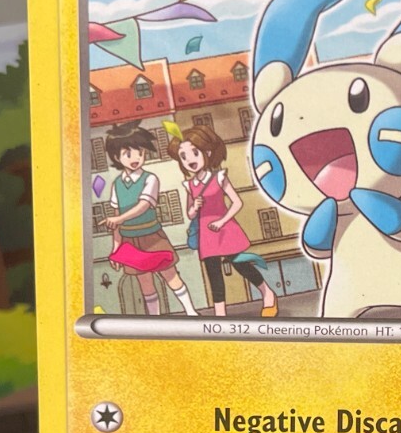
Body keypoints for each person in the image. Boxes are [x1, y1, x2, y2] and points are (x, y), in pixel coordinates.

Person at [169, 125, 279, 318]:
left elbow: (237, 202)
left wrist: (222, 221)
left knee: (240, 264)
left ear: (208, 152)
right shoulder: (190, 185)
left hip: (224, 228)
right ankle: (220, 314)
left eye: (194, 153)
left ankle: (267, 293)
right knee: (213, 273)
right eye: (183, 156)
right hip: (206, 233)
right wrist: (195, 207)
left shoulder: (219, 177)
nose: (189, 160)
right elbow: (190, 214)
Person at [103, 122, 198, 317]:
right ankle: (155, 319)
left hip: (152, 236)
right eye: (127, 154)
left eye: (140, 152)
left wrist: (119, 218)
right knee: (145, 283)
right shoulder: (117, 185)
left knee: (170, 275)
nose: (135, 158)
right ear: (116, 157)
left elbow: (144, 205)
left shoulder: (150, 178)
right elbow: (116, 224)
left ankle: (191, 312)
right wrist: (115, 249)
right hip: (130, 240)